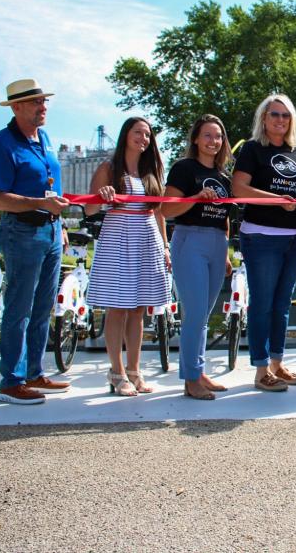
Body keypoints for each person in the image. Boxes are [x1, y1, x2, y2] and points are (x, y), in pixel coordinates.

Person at [0, 78, 71, 404]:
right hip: (21, 231)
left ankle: (34, 373)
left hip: (49, 231)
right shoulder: (2, 144)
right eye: (36, 102)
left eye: (44, 101)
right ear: (16, 107)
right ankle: (11, 382)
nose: (43, 107)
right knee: (18, 309)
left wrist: (57, 222)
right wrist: (40, 205)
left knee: (41, 308)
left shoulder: (44, 139)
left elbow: (52, 189)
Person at [233, 94, 296, 392]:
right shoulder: (252, 149)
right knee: (261, 304)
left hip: (294, 235)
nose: (280, 120)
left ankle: (276, 363)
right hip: (261, 235)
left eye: (286, 115)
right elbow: (238, 188)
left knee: (282, 304)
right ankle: (261, 370)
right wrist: (277, 201)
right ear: (264, 118)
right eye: (274, 114)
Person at [85, 117, 170, 396]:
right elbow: (89, 211)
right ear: (125, 135)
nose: (143, 139)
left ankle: (134, 370)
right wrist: (102, 195)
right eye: (138, 132)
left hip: (147, 238)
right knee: (117, 307)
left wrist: (165, 247)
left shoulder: (153, 170)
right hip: (119, 237)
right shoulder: (108, 168)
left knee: (138, 308)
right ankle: (116, 371)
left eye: (147, 135)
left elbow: (159, 212)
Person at [161, 114, 233, 400]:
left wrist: (225, 252)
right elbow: (166, 210)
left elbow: (226, 218)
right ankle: (191, 380)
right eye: (207, 135)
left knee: (203, 315)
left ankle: (198, 370)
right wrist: (194, 199)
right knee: (193, 314)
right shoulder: (184, 168)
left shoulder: (224, 177)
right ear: (195, 139)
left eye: (218, 136)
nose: (213, 141)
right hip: (189, 239)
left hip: (217, 243)